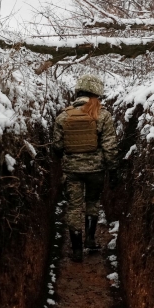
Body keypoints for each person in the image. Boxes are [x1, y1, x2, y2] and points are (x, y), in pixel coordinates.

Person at [53, 74, 119, 262]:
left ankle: (76, 250)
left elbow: (57, 147)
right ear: (97, 93)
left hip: (72, 171)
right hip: (96, 170)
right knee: (92, 202)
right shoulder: (102, 115)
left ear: (78, 92)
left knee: (73, 208)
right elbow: (110, 146)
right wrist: (113, 170)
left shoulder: (63, 116)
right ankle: (90, 239)